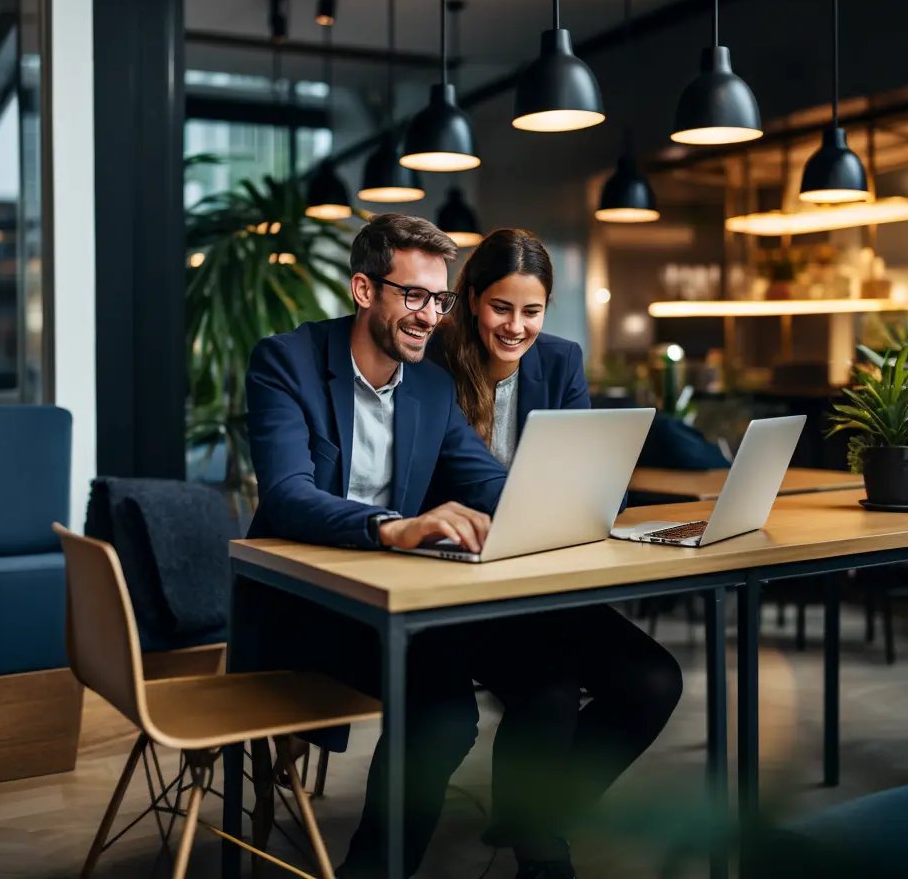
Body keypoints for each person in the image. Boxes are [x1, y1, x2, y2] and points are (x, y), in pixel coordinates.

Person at [245, 213, 506, 878]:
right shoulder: (287, 362)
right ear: (365, 291)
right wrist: (391, 527)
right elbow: (286, 495)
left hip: (389, 607)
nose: (431, 316)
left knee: (456, 707)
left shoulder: (430, 386)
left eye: (440, 299)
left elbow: (483, 479)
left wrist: (567, 504)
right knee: (442, 706)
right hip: (300, 610)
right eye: (414, 295)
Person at [432, 228, 684, 877]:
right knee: (546, 692)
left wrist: (601, 495)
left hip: (546, 577)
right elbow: (437, 482)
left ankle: (533, 814)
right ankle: (540, 850)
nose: (517, 326)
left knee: (654, 681)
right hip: (463, 583)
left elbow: (588, 467)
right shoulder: (432, 363)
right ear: (470, 299)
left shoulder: (561, 360)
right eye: (501, 308)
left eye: (532, 310)